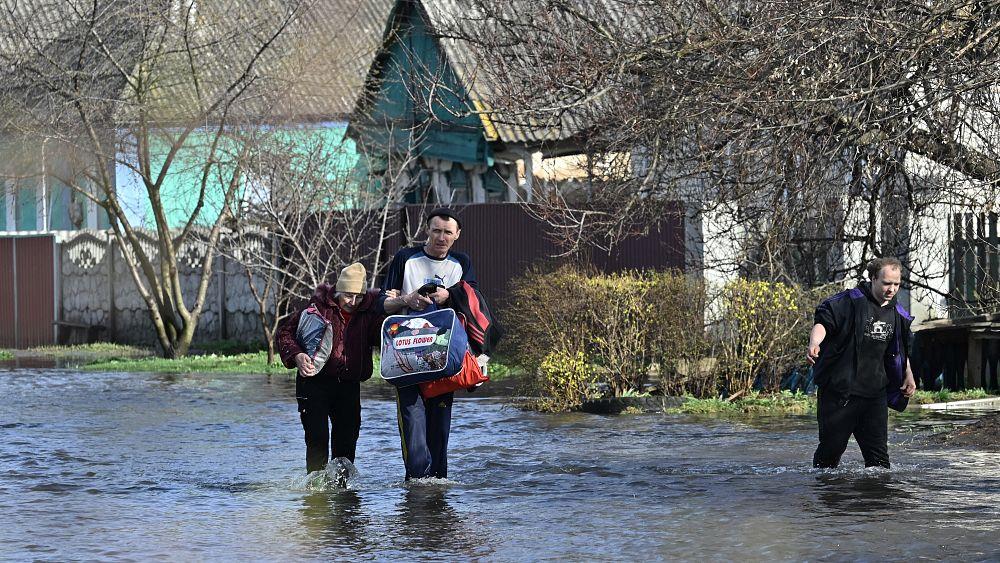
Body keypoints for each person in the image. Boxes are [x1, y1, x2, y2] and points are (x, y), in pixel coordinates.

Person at [380, 207, 477, 479]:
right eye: (436, 230)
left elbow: (475, 301)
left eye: (447, 232)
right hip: (405, 357)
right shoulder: (405, 258)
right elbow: (382, 303)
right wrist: (406, 299)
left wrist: (451, 296)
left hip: (444, 357)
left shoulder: (461, 262)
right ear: (427, 230)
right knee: (412, 427)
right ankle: (416, 489)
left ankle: (438, 491)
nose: (441, 237)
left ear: (457, 235)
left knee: (440, 430)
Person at [277, 262, 395, 475]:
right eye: (348, 295)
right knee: (317, 439)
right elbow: (286, 334)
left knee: (346, 443)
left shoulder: (368, 313)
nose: (353, 302)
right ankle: (315, 493)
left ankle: (343, 496)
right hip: (314, 383)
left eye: (358, 297)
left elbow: (385, 333)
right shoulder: (318, 307)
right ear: (339, 291)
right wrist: (297, 355)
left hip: (349, 385)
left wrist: (395, 305)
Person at [806, 257, 917, 469]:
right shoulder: (848, 302)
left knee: (879, 463)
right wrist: (814, 343)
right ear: (873, 278)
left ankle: (875, 501)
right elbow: (823, 321)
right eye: (886, 283)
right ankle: (824, 497)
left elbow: (899, 349)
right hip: (840, 394)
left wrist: (907, 373)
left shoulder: (897, 313)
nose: (891, 289)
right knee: (829, 455)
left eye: (896, 284)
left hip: (875, 395)